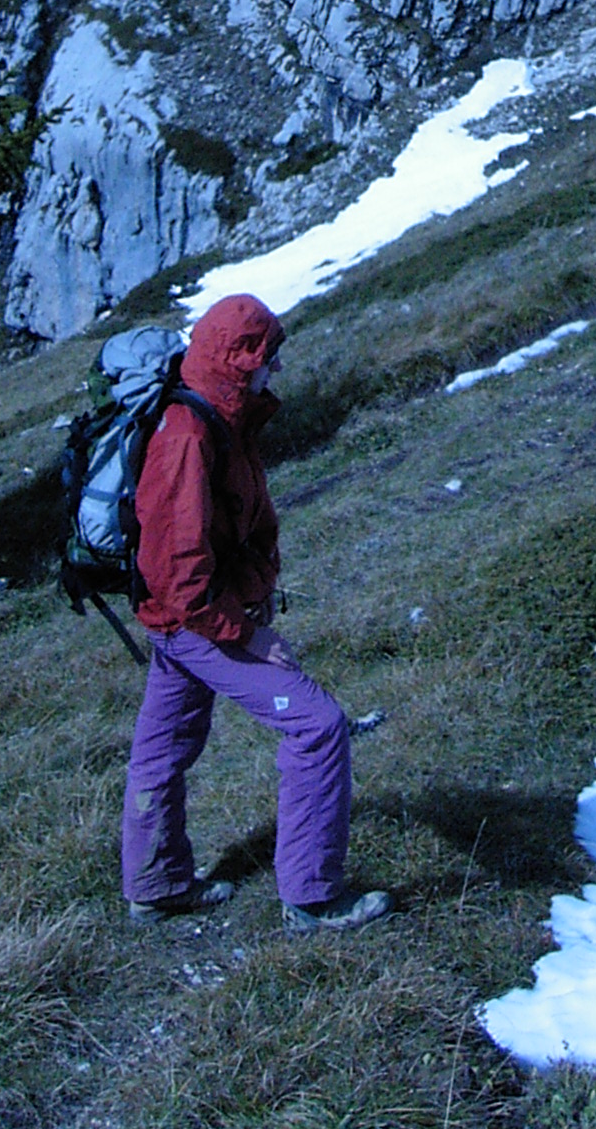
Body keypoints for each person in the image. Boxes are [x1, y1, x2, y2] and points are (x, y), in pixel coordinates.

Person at [119, 289, 391, 931]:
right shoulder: (188, 434)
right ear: (239, 359)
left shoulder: (221, 415)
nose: (277, 368)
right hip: (194, 620)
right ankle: (312, 897)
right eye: (269, 355)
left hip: (180, 619)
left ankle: (157, 887)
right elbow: (178, 573)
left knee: (161, 752)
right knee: (318, 728)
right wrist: (245, 635)